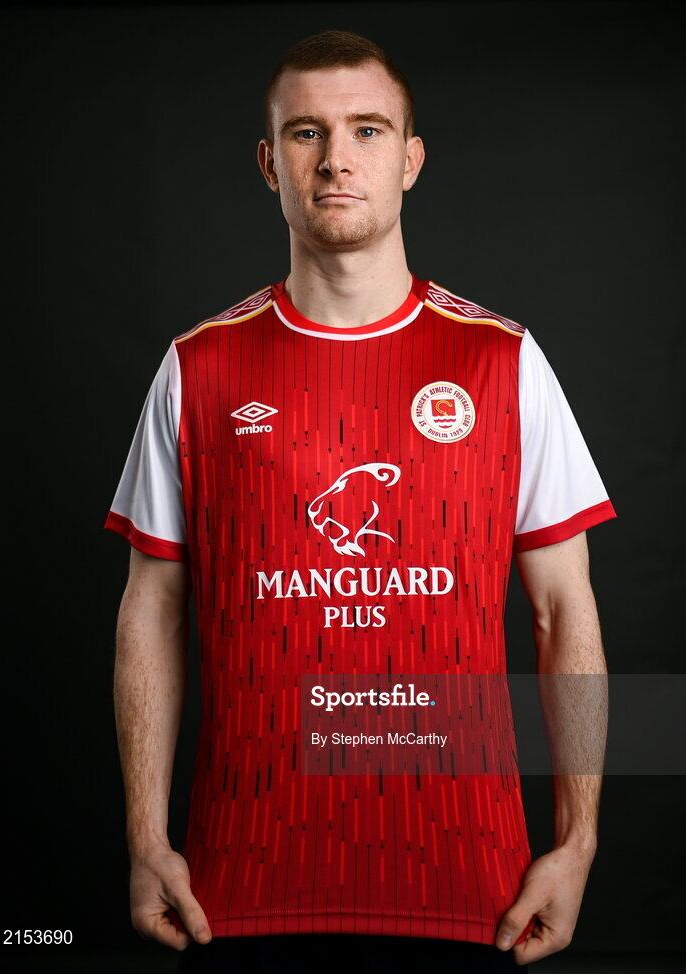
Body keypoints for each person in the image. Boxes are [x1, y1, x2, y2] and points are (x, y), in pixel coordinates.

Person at [104, 29, 616, 973]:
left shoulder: (502, 362)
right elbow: (152, 613)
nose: (336, 159)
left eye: (368, 130)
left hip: (473, 893)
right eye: (306, 133)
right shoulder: (197, 367)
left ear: (410, 159)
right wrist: (145, 840)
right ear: (269, 162)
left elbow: (562, 611)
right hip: (236, 892)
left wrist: (576, 844)